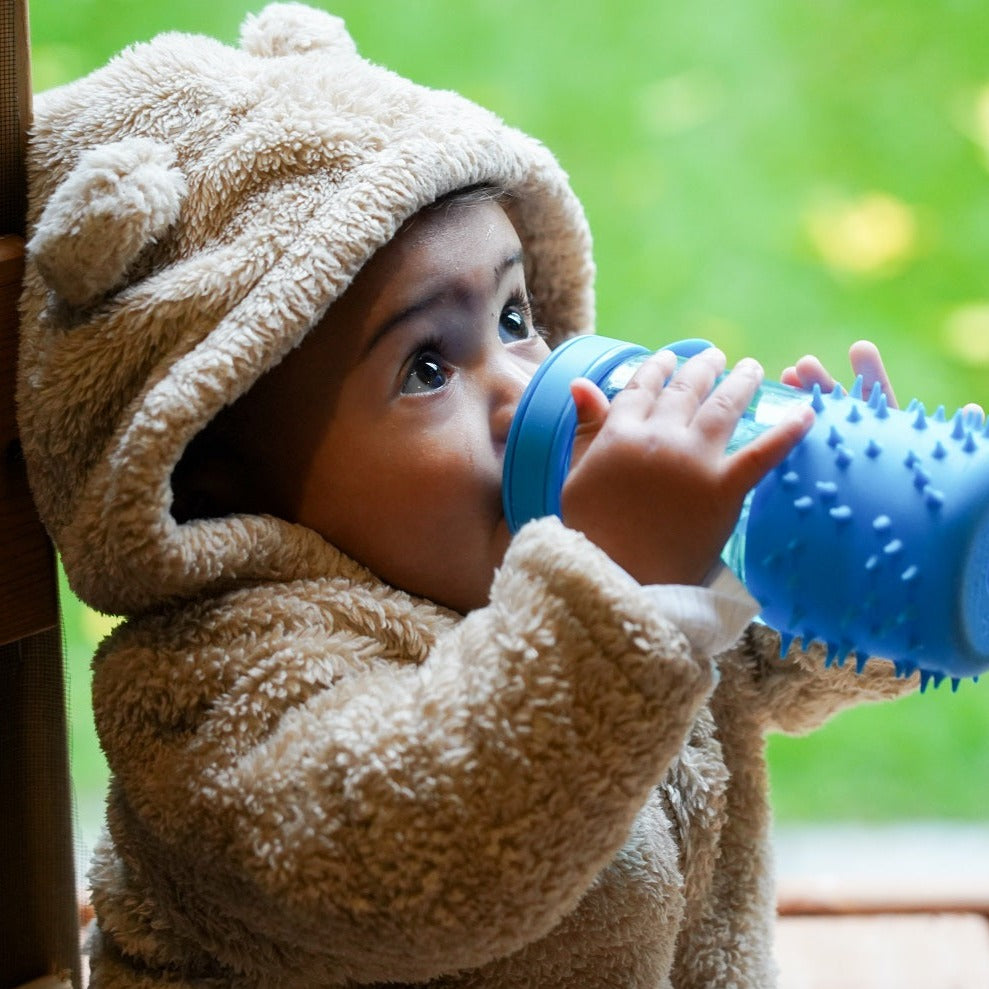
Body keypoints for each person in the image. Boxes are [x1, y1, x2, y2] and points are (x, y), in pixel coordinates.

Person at [17, 5, 915, 987]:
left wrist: (844, 556)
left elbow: (742, 652)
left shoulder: (591, 575)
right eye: (426, 365)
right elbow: (417, 846)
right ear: (216, 474)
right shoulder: (210, 696)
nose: (526, 384)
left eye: (516, 313)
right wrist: (618, 586)